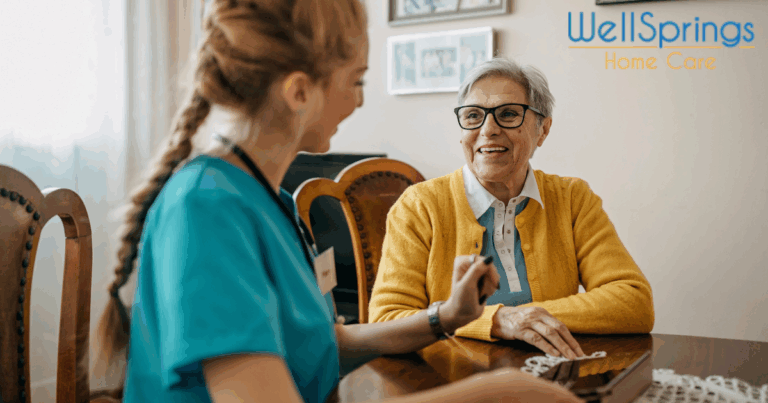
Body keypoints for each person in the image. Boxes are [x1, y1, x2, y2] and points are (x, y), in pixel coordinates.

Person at [91, 2, 584, 403]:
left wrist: (445, 317)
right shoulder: (206, 210)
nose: (360, 101)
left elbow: (325, 342)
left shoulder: (272, 201)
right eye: (357, 80)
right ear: (300, 92)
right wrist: (497, 392)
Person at [369, 57, 655, 360]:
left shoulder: (573, 198)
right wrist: (496, 321)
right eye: (473, 116)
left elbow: (633, 301)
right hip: (447, 378)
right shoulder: (418, 206)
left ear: (542, 129)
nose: (488, 129)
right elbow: (388, 319)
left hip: (549, 377)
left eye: (508, 114)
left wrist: (523, 318)